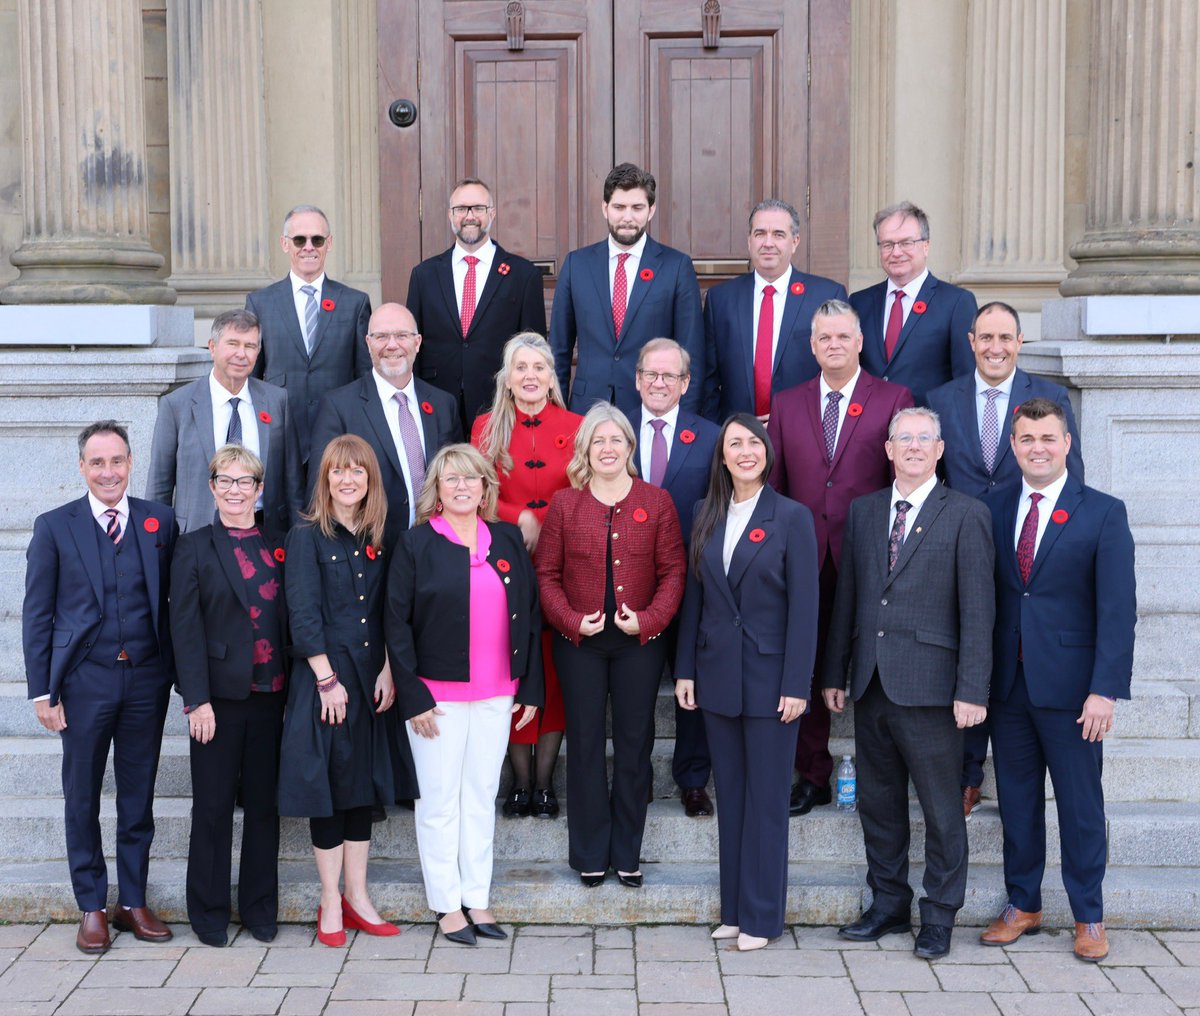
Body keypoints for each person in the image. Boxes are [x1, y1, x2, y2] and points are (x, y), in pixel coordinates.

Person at [822, 407, 994, 960]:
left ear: (940, 450)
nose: (914, 446)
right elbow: (848, 596)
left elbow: (979, 611)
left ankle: (939, 915)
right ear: (889, 449)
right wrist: (834, 673)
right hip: (871, 684)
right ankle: (889, 904)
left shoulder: (967, 514)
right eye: (904, 438)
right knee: (879, 805)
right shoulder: (866, 511)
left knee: (943, 810)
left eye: (925, 438)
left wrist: (973, 689)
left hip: (934, 690)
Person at [980, 398, 1135, 962]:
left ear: (1067, 444)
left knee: (1079, 805)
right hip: (1010, 686)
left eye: (1048, 438)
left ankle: (1088, 915)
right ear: (1013, 446)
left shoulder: (1101, 512)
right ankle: (1023, 904)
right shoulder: (993, 508)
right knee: (1018, 803)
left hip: (1074, 692)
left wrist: (1104, 690)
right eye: (1026, 439)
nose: (1038, 448)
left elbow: (1119, 610)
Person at [22, 421, 177, 954]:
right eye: (97, 463)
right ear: (82, 467)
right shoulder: (54, 527)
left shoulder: (161, 521)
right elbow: (37, 615)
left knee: (138, 796)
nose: (108, 472)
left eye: (117, 461)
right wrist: (43, 691)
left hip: (146, 680)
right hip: (84, 682)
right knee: (81, 796)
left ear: (131, 463)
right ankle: (91, 905)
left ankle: (132, 900)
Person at [926, 301, 1084, 816]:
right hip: (962, 547)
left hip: (1028, 548)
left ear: (1020, 343)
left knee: (1012, 651)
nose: (996, 348)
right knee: (972, 651)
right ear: (971, 340)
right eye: (986, 337)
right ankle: (968, 772)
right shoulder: (941, 399)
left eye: (1006, 338)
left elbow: (1072, 479)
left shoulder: (1050, 397)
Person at [386, 444, 543, 945]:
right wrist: (412, 696)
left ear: (484, 487)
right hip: (437, 698)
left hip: (499, 691)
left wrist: (530, 687)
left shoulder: (506, 539)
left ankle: (477, 897)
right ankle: (446, 905)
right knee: (438, 802)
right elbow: (396, 624)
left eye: (470, 479)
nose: (461, 487)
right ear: (437, 488)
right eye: (450, 479)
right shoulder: (416, 544)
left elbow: (530, 614)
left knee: (479, 797)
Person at [675, 414, 819, 951]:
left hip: (770, 679)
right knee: (730, 796)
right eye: (734, 443)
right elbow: (697, 598)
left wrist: (797, 683)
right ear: (723, 456)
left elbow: (806, 609)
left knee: (764, 801)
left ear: (767, 452)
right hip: (716, 677)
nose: (744, 451)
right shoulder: (705, 514)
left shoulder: (791, 517)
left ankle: (763, 918)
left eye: (753, 442)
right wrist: (685, 668)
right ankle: (735, 910)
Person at [767, 300, 913, 817]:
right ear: (812, 345)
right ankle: (812, 774)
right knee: (804, 664)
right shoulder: (786, 403)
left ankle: (884, 772)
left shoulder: (893, 398)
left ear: (859, 342)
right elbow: (777, 485)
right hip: (804, 554)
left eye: (843, 337)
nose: (834, 345)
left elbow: (903, 479)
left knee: (875, 663)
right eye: (824, 338)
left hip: (872, 555)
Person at [536, 404, 686, 888]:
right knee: (582, 743)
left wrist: (647, 620)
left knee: (634, 744)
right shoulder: (565, 504)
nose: (607, 449)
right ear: (585, 449)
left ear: (629, 446)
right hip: (578, 644)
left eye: (615, 440)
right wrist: (572, 620)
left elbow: (673, 573)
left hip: (638, 645)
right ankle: (588, 852)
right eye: (597, 441)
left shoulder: (657, 502)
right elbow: (547, 575)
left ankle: (627, 851)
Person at [278, 434, 410, 948]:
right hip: (324, 683)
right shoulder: (307, 535)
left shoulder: (382, 533)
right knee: (328, 792)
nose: (347, 479)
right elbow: (302, 613)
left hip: (369, 679)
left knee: (360, 791)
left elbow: (388, 611)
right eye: (338, 471)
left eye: (357, 471)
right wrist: (326, 679)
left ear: (369, 479)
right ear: (325, 478)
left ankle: (359, 897)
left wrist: (387, 669)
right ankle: (330, 899)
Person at [169, 445, 288, 947]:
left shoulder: (279, 543)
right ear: (212, 486)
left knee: (264, 807)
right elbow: (185, 628)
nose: (236, 490)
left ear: (260, 489)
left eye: (246, 481)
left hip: (272, 695)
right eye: (226, 480)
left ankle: (260, 908)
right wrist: (196, 699)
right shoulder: (193, 546)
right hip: (218, 699)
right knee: (213, 808)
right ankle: (209, 911)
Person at [470, 333, 582, 820]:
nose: (530, 375)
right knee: (512, 669)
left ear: (552, 376)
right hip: (504, 563)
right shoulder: (484, 428)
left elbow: (586, 486)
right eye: (521, 367)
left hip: (563, 562)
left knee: (554, 674)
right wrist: (520, 517)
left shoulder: (577, 426)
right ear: (507, 377)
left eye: (539, 367)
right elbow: (473, 490)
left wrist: (548, 518)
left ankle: (544, 781)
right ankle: (518, 781)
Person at [631, 338, 720, 817]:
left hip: (693, 584)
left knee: (693, 686)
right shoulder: (613, 431)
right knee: (636, 690)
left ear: (686, 384)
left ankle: (692, 779)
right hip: (631, 589)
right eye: (651, 373)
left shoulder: (710, 436)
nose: (659, 382)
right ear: (638, 378)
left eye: (670, 375)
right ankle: (636, 776)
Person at [549, 163, 704, 420]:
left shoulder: (676, 267)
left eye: (637, 208)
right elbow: (558, 350)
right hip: (586, 411)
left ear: (651, 210)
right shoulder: (577, 264)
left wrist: (684, 422)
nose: (627, 217)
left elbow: (691, 354)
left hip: (652, 410)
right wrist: (555, 415)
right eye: (619, 207)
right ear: (605, 208)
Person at [309, 302, 462, 553]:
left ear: (417, 342)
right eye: (381, 337)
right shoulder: (339, 406)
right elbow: (320, 489)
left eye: (402, 335)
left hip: (438, 548)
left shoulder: (443, 404)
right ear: (368, 343)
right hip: (369, 552)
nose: (392, 345)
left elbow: (457, 476)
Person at [408, 177, 547, 432]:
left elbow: (533, 349)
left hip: (500, 405)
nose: (469, 216)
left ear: (491, 213)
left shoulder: (523, 275)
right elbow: (413, 343)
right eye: (461, 209)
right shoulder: (424, 275)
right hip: (437, 403)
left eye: (478, 208)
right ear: (450, 215)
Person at [147, 309, 303, 534]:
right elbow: (159, 488)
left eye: (250, 346)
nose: (242, 354)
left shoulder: (277, 401)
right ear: (212, 347)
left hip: (265, 536)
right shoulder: (176, 405)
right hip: (198, 537)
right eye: (233, 344)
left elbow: (293, 485)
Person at [248, 204, 372, 470]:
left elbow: (365, 378)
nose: (308, 247)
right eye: (299, 240)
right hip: (279, 434)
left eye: (317, 239)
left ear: (329, 244)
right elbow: (252, 377)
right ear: (284, 244)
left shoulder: (354, 303)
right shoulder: (260, 303)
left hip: (339, 436)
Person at [703, 199, 848, 422]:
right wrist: (715, 434)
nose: (768, 243)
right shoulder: (721, 299)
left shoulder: (826, 295)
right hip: (737, 435)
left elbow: (841, 372)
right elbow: (709, 379)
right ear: (749, 240)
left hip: (805, 431)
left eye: (778, 234)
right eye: (760, 233)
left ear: (795, 241)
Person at [850, 201, 976, 405]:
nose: (896, 252)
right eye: (888, 244)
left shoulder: (956, 303)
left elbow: (965, 380)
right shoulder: (859, 302)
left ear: (926, 246)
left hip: (928, 429)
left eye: (906, 243)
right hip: (868, 429)